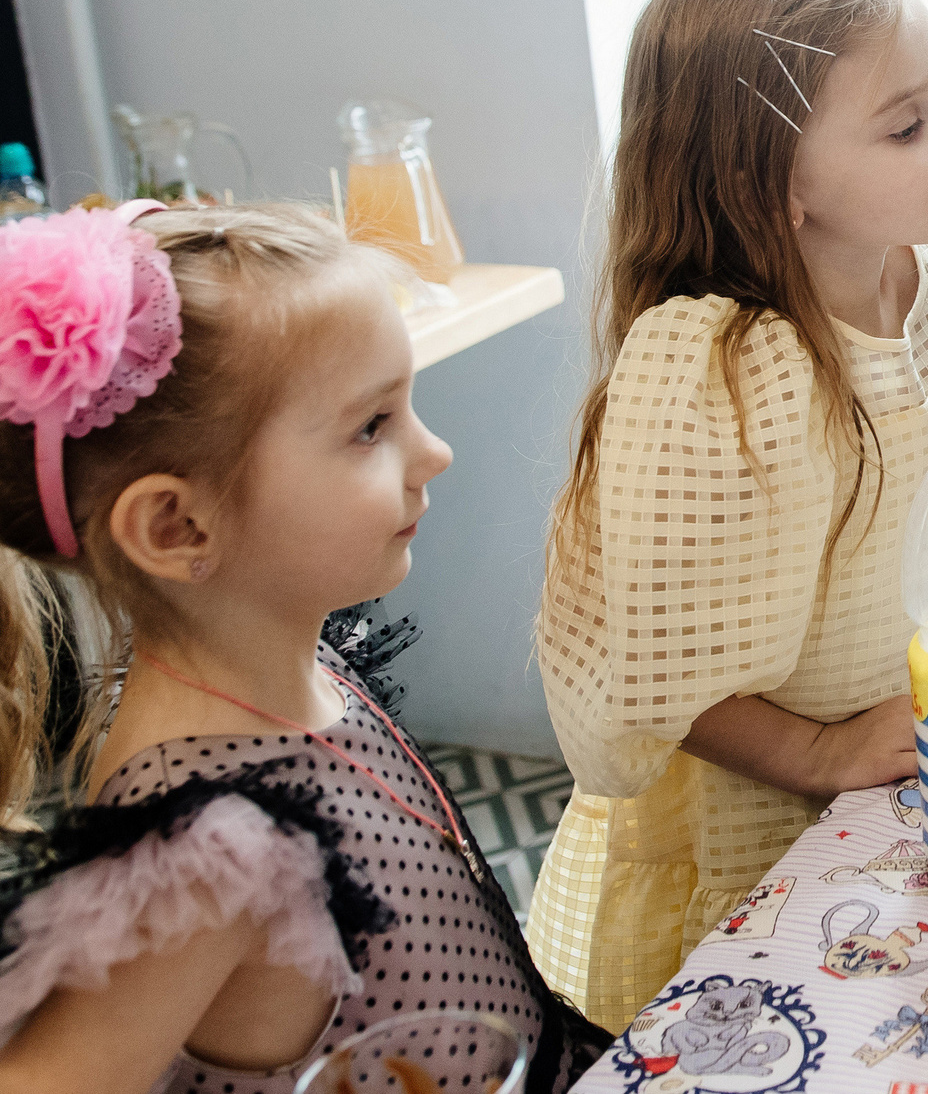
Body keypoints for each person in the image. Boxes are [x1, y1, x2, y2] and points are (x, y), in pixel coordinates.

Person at [526, 0, 928, 1030]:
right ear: (769, 187)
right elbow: (664, 675)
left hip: (904, 767)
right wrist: (819, 751)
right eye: (906, 126)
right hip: (758, 815)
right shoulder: (718, 372)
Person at [0, 202, 606, 1092]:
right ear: (176, 526)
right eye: (372, 426)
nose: (434, 451)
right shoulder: (208, 853)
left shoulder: (310, 667)